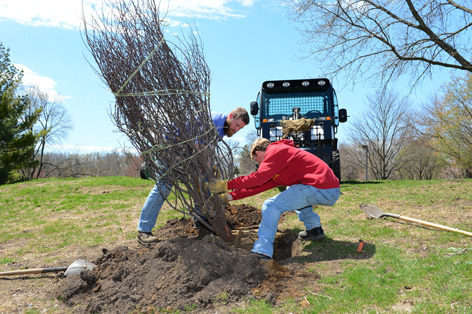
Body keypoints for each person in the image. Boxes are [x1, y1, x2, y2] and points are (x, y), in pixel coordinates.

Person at [208, 138, 340, 260]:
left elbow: (257, 178)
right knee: (291, 190)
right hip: (327, 190)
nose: (258, 164)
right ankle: (314, 229)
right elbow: (259, 186)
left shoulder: (276, 151)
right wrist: (229, 196)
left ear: (258, 153)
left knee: (271, 205)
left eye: (256, 160)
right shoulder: (281, 161)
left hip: (320, 188)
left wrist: (226, 185)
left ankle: (263, 250)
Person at [137, 107, 249, 245]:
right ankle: (144, 231)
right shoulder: (213, 122)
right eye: (237, 125)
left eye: (240, 128)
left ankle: (200, 220)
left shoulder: (223, 129)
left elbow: (206, 151)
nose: (236, 130)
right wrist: (204, 168)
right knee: (164, 187)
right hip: (170, 150)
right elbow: (199, 148)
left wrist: (207, 171)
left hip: (187, 152)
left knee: (204, 184)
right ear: (230, 116)